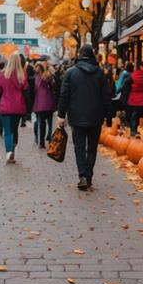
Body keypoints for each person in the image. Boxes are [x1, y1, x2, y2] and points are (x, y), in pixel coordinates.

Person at [57, 45, 113, 190]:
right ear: (92, 55)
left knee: (79, 147)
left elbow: (64, 95)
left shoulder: (70, 73)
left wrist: (61, 115)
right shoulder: (100, 73)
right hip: (96, 116)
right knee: (92, 148)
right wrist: (109, 117)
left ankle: (82, 175)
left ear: (79, 55)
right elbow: (106, 96)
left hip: (76, 116)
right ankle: (88, 175)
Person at [0, 52, 28, 163]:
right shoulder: (22, 74)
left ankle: (9, 153)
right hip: (18, 107)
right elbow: (25, 88)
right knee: (14, 130)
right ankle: (12, 152)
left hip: (5, 106)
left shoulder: (3, 73)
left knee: (7, 131)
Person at [32, 62, 58, 148]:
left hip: (40, 103)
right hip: (48, 102)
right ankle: (48, 138)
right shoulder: (47, 76)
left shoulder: (37, 77)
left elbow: (34, 90)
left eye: (37, 67)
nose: (36, 69)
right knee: (49, 122)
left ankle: (42, 142)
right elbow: (53, 87)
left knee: (41, 123)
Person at [126, 61, 143, 137]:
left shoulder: (133, 75)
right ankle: (137, 129)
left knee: (134, 115)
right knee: (139, 115)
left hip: (133, 98)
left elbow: (127, 84)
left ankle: (133, 130)